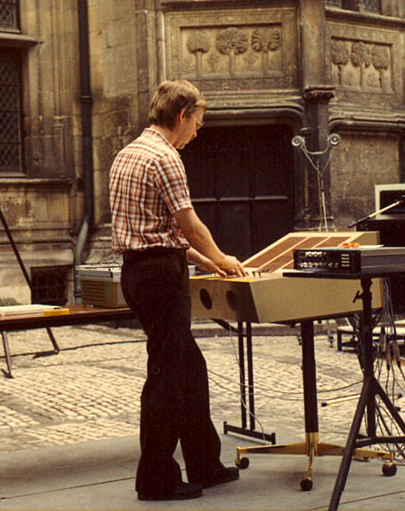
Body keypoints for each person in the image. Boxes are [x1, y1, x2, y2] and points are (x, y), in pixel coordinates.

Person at [109, 79, 247, 501]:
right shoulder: (166, 157)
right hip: (160, 276)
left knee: (190, 368)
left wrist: (205, 262)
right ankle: (155, 479)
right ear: (182, 115)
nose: (197, 132)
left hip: (138, 272)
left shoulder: (128, 153)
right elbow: (189, 225)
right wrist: (223, 256)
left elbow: (156, 230)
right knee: (167, 377)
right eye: (198, 123)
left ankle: (204, 462)